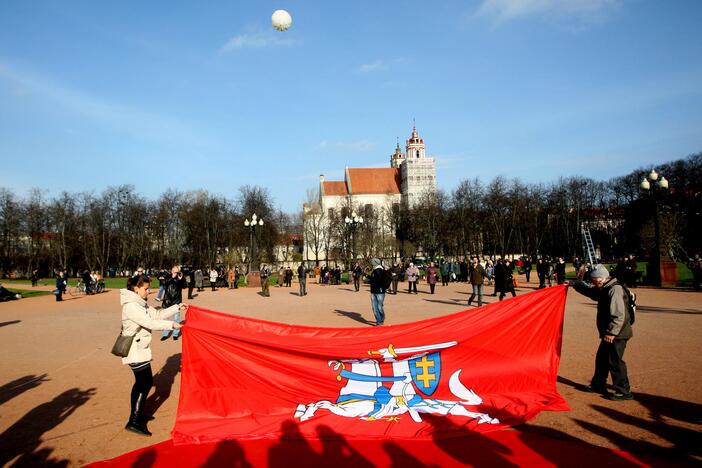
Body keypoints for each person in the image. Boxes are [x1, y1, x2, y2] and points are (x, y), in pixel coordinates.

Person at [119, 274, 186, 436]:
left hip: (139, 348)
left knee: (144, 382)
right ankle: (134, 420)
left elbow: (156, 315)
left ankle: (137, 414)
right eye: (146, 289)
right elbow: (149, 323)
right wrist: (172, 325)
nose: (148, 292)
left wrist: (176, 307)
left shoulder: (139, 303)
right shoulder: (131, 306)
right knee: (144, 382)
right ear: (136, 288)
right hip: (134, 350)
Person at [570, 264, 634, 401]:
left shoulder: (615, 289)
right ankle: (598, 384)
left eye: (593, 281)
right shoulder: (606, 287)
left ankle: (624, 390)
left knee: (615, 361)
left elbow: (619, 315)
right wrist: (574, 284)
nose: (592, 284)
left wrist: (612, 333)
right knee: (602, 358)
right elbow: (592, 293)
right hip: (611, 332)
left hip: (617, 333)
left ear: (600, 279)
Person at [160, 266, 187, 341]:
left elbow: (184, 286)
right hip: (167, 300)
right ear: (172, 271)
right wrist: (172, 277)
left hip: (176, 300)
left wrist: (181, 280)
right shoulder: (167, 276)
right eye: (175, 272)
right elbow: (164, 283)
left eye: (177, 272)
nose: (176, 273)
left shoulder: (181, 277)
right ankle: (165, 334)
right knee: (165, 319)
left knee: (176, 319)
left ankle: (175, 334)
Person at [369, 258, 389, 326]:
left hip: (380, 291)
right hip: (373, 291)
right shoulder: (374, 271)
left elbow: (381, 280)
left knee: (379, 307)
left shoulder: (380, 270)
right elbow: (373, 280)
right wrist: (368, 277)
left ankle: (382, 318)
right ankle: (379, 321)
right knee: (374, 308)